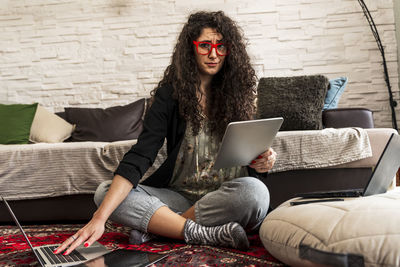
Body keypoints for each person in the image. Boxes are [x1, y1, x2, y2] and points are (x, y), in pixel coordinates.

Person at [54, 10, 277, 256]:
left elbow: (251, 157)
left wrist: (263, 162)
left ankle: (163, 227)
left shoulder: (239, 95)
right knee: (104, 194)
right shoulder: (169, 95)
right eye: (205, 45)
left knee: (256, 193)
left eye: (221, 46)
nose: (214, 54)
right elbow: (141, 154)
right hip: (178, 195)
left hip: (225, 197)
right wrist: (99, 219)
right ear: (191, 48)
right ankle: (204, 233)